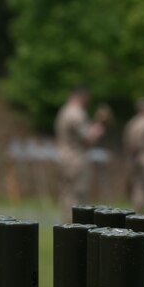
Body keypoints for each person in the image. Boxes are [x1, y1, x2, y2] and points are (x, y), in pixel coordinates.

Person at [54, 87, 105, 219]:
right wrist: (98, 127)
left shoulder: (64, 111)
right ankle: (74, 228)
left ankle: (66, 226)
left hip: (64, 157)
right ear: (82, 97)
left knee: (67, 195)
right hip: (76, 159)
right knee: (79, 196)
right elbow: (88, 139)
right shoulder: (77, 113)